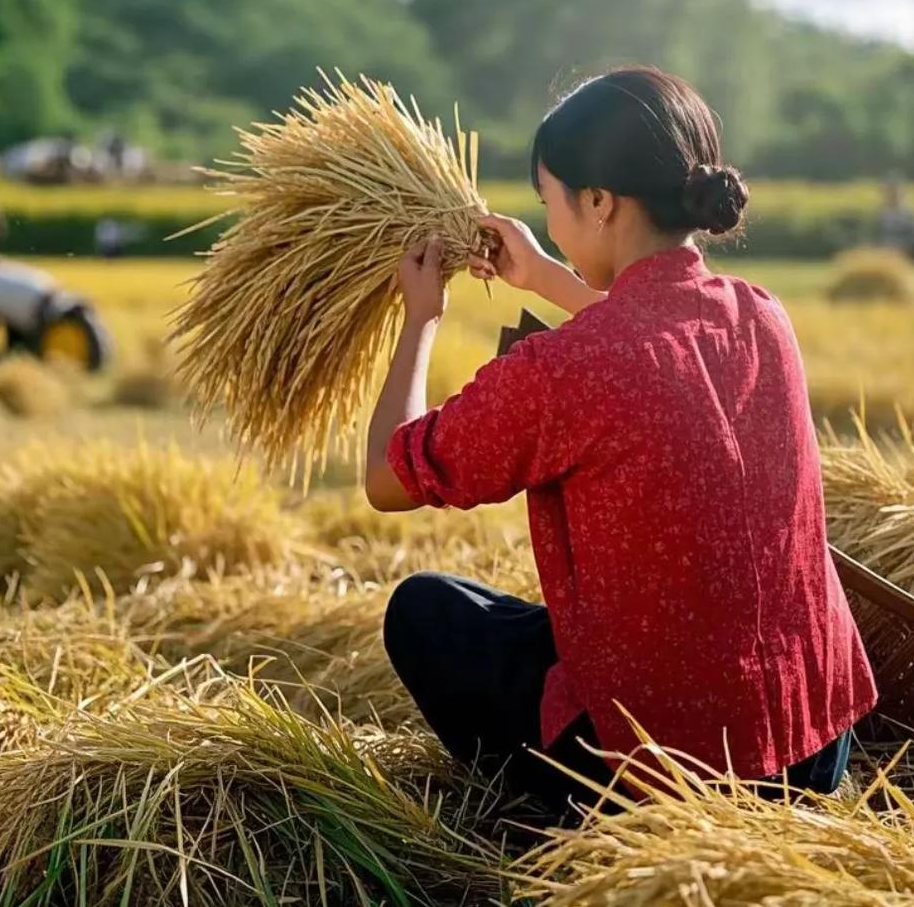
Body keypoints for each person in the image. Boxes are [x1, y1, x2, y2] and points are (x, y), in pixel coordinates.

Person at [364, 66, 876, 819]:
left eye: (551, 202)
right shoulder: (762, 314)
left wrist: (421, 317)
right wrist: (541, 272)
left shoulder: (567, 368)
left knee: (426, 609)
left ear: (599, 202)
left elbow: (385, 477)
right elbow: (650, 328)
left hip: (670, 768)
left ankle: (566, 820)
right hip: (813, 740)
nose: (552, 222)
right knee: (513, 615)